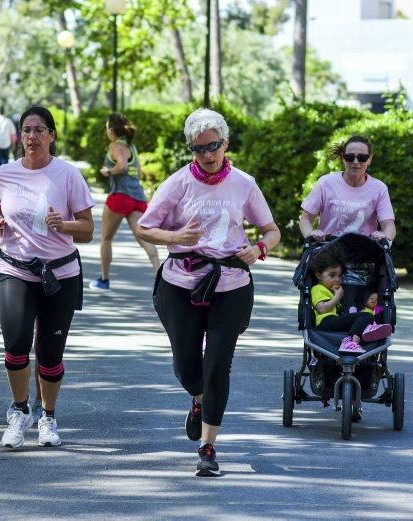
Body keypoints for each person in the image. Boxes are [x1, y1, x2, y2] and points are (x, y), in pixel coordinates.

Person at [136, 108, 281, 477]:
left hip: (230, 284)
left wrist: (259, 249)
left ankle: (208, 447)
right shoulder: (177, 183)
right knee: (188, 366)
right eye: (199, 148)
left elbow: (271, 230)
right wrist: (175, 237)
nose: (207, 154)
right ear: (190, 150)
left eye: (213, 145)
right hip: (180, 284)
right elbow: (145, 228)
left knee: (217, 364)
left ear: (225, 143)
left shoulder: (244, 184)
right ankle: (198, 399)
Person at [0, 106, 95, 449]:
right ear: (19, 136)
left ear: (51, 136)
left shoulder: (67, 175)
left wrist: (65, 225)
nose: (32, 137)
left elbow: (89, 229)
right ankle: (19, 412)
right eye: (27, 130)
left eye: (39, 130)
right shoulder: (5, 173)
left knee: (50, 353)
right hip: (14, 269)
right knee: (16, 345)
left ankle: (48, 415)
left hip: (59, 274)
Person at [299, 135, 396, 311]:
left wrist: (385, 236)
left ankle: (360, 325)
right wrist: (310, 234)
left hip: (363, 258)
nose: (356, 162)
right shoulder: (326, 183)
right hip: (330, 256)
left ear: (370, 159)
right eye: (350, 157)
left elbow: (389, 225)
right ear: (343, 158)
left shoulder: (379, 188)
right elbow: (305, 218)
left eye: (362, 157)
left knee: (361, 299)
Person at [90, 113, 160, 292]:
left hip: (120, 197)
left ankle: (104, 280)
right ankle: (161, 280)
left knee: (106, 239)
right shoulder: (132, 147)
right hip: (137, 198)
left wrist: (108, 172)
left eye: (107, 128)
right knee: (145, 239)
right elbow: (138, 172)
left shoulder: (115, 145)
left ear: (111, 130)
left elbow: (122, 166)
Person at [310, 243, 392, 354]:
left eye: (339, 275)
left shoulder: (330, 290)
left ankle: (368, 328)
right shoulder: (318, 288)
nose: (337, 279)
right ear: (319, 275)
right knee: (366, 316)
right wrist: (338, 297)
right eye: (332, 275)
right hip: (325, 322)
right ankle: (350, 341)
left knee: (367, 316)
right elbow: (322, 309)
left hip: (332, 321)